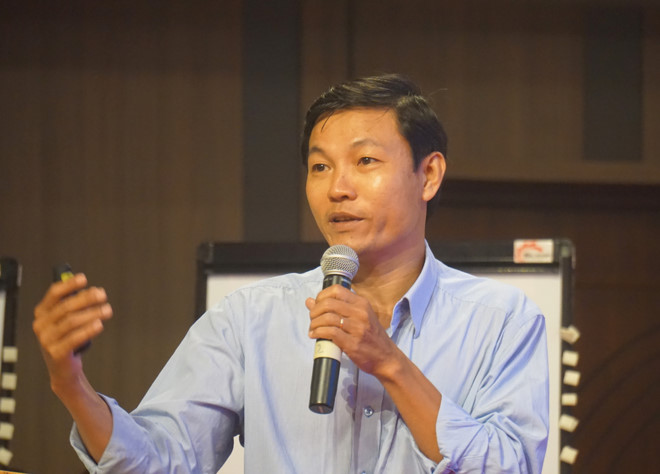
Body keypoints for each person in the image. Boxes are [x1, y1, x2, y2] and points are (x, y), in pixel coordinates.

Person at [34, 74, 549, 473]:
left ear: (428, 174)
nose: (338, 188)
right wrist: (71, 384)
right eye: (320, 167)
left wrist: (389, 362)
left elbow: (510, 466)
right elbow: (160, 463)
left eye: (365, 161)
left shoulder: (502, 320)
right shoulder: (250, 317)